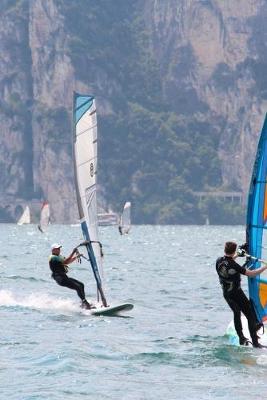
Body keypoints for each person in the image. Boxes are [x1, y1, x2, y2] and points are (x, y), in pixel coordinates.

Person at [216, 241, 267, 348]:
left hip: (226, 294)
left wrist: (238, 255)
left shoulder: (219, 261)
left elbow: (229, 262)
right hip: (237, 293)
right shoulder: (234, 265)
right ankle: (255, 343)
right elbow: (252, 274)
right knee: (250, 315)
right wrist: (265, 267)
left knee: (236, 312)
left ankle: (241, 338)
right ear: (233, 250)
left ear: (225, 249)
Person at [49, 243, 94, 309]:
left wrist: (76, 257)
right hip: (60, 278)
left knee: (81, 285)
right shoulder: (53, 257)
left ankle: (83, 303)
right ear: (53, 250)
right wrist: (73, 252)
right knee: (78, 287)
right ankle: (86, 304)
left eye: (59, 248)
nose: (59, 250)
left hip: (64, 277)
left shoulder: (59, 256)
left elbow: (67, 262)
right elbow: (65, 261)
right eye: (57, 249)